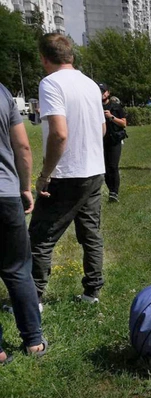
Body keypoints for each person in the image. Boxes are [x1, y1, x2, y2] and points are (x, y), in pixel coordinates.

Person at [29, 33, 107, 307]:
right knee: (90, 234)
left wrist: (44, 175)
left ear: (44, 58)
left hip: (66, 173)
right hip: (94, 170)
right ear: (70, 56)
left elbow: (59, 134)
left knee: (40, 237)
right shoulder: (89, 85)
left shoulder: (50, 83)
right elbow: (102, 128)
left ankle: (34, 298)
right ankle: (92, 293)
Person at [0, 82, 48, 364]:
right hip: (6, 193)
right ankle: (33, 342)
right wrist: (26, 187)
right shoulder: (3, 93)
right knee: (18, 268)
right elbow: (22, 146)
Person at [99, 83, 127, 202]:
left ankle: (114, 192)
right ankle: (111, 190)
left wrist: (111, 117)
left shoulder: (115, 106)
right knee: (104, 168)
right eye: (99, 91)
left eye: (103, 91)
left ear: (108, 93)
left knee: (113, 166)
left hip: (115, 140)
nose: (101, 93)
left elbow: (124, 123)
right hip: (100, 141)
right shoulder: (95, 106)